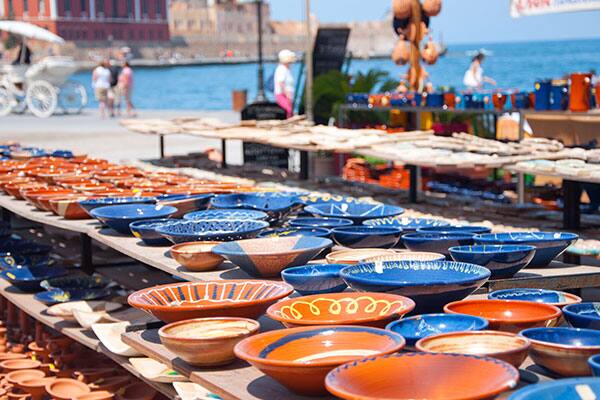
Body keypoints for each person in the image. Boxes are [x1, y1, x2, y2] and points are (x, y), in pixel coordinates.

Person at [274, 49, 296, 118]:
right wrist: (287, 94)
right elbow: (281, 83)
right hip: (282, 95)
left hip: (286, 95)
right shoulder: (282, 69)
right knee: (289, 110)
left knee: (290, 110)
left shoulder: (286, 69)